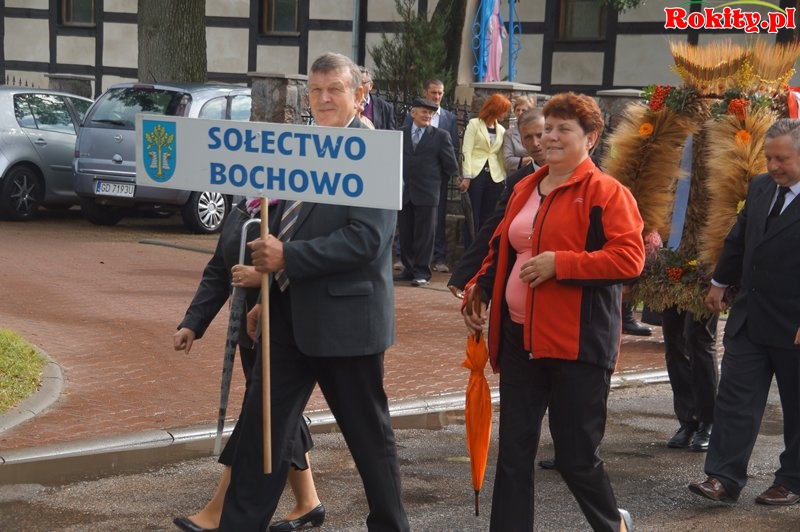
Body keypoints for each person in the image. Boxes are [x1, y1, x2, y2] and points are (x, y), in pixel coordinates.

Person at [218, 52, 409, 532]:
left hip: (348, 325)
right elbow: (286, 222)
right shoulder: (300, 148)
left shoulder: (376, 152)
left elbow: (368, 240)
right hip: (287, 316)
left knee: (369, 439)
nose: (323, 99)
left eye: (334, 89)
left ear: (360, 95)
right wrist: (268, 294)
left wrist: (288, 258)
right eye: (316, 90)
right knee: (263, 430)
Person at [461, 92, 643, 531]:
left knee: (576, 457)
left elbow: (629, 258)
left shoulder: (606, 192)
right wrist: (479, 287)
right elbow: (501, 246)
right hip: (520, 339)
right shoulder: (525, 186)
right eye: (547, 130)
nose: (551, 137)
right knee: (514, 453)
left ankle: (613, 526)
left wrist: (562, 264)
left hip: (577, 345)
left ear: (591, 138)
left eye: (564, 130)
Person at [171, 198, 323, 532]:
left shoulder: (297, 208)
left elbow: (309, 261)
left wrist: (265, 279)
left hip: (284, 328)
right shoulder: (243, 209)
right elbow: (218, 269)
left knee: (259, 414)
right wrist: (193, 322)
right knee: (277, 411)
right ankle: (308, 501)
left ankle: (220, 507)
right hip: (248, 329)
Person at [688, 118, 800, 506]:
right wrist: (720, 281)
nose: (773, 166)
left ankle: (792, 480)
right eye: (769, 158)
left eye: (782, 159)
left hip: (794, 322)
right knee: (735, 399)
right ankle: (723, 477)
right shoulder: (761, 186)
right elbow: (739, 238)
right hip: (751, 316)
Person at [448, 108, 544, 296]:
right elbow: (492, 227)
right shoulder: (517, 181)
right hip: (520, 278)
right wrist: (461, 275)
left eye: (540, 135)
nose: (535, 143)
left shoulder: (575, 174)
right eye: (528, 137)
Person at [395, 97, 459, 287]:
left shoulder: (440, 136)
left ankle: (422, 272)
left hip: (427, 193)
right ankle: (409, 269)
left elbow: (451, 166)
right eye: (424, 111)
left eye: (431, 113)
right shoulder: (400, 133)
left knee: (425, 235)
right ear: (413, 113)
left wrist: (434, 182)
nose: (428, 115)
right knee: (406, 233)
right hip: (404, 192)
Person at [662, 307, 718, 452]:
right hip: (672, 291)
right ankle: (688, 420)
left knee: (699, 337)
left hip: (702, 292)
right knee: (673, 341)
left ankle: (708, 421)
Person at [459, 93, 511, 249]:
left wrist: (503, 178)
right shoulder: (474, 124)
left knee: (488, 218)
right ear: (495, 109)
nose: (505, 114)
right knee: (472, 216)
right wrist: (467, 176)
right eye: (504, 110)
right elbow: (466, 150)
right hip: (476, 175)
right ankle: (469, 250)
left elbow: (500, 155)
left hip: (495, 178)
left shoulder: (501, 129)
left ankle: (482, 252)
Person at [502, 95, 536, 175]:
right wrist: (530, 159)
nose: (520, 113)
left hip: (536, 174)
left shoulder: (538, 131)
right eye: (518, 110)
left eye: (523, 110)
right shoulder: (509, 134)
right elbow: (507, 161)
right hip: (517, 175)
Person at [359, 66, 395, 130]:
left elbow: (391, 134)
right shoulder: (344, 105)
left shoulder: (385, 108)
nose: (358, 86)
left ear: (370, 85)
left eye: (362, 83)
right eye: (354, 82)